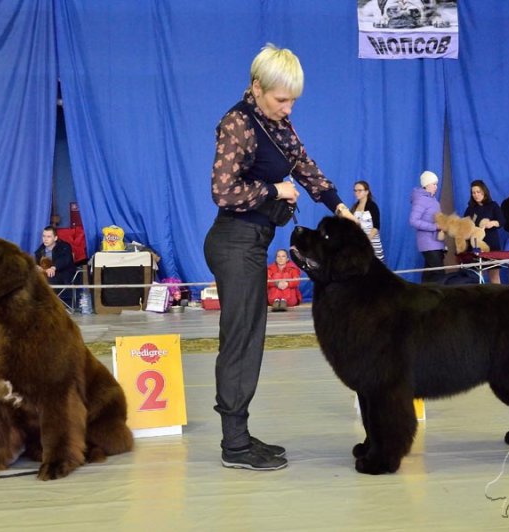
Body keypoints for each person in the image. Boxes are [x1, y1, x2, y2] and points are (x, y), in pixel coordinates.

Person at [203, 43, 357, 471]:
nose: (288, 109)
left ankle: (240, 435)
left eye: (293, 101)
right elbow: (223, 191)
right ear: (257, 87)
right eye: (281, 99)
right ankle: (234, 445)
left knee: (250, 339)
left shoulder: (275, 123)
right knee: (242, 342)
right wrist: (275, 190)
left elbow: (303, 165)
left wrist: (339, 206)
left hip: (252, 241)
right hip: (233, 242)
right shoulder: (238, 123)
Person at [463, 180, 505, 284]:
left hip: (492, 245)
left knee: (494, 276)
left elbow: (502, 221)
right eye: (473, 193)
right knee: (477, 277)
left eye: (478, 192)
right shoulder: (470, 209)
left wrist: (493, 223)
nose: (476, 195)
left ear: (484, 192)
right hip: (475, 247)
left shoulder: (493, 205)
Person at [409, 170, 445, 283]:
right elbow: (413, 221)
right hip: (429, 243)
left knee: (429, 275)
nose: (436, 187)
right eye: (434, 184)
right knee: (439, 274)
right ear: (426, 184)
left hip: (436, 242)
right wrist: (435, 227)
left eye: (436, 184)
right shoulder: (421, 200)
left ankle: (423, 293)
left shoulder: (432, 200)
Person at [351, 180, 385, 263]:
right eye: (355, 190)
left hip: (372, 243)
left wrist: (365, 241)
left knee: (376, 266)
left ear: (367, 192)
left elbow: (376, 227)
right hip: (358, 244)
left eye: (360, 190)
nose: (356, 193)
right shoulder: (354, 207)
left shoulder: (373, 206)